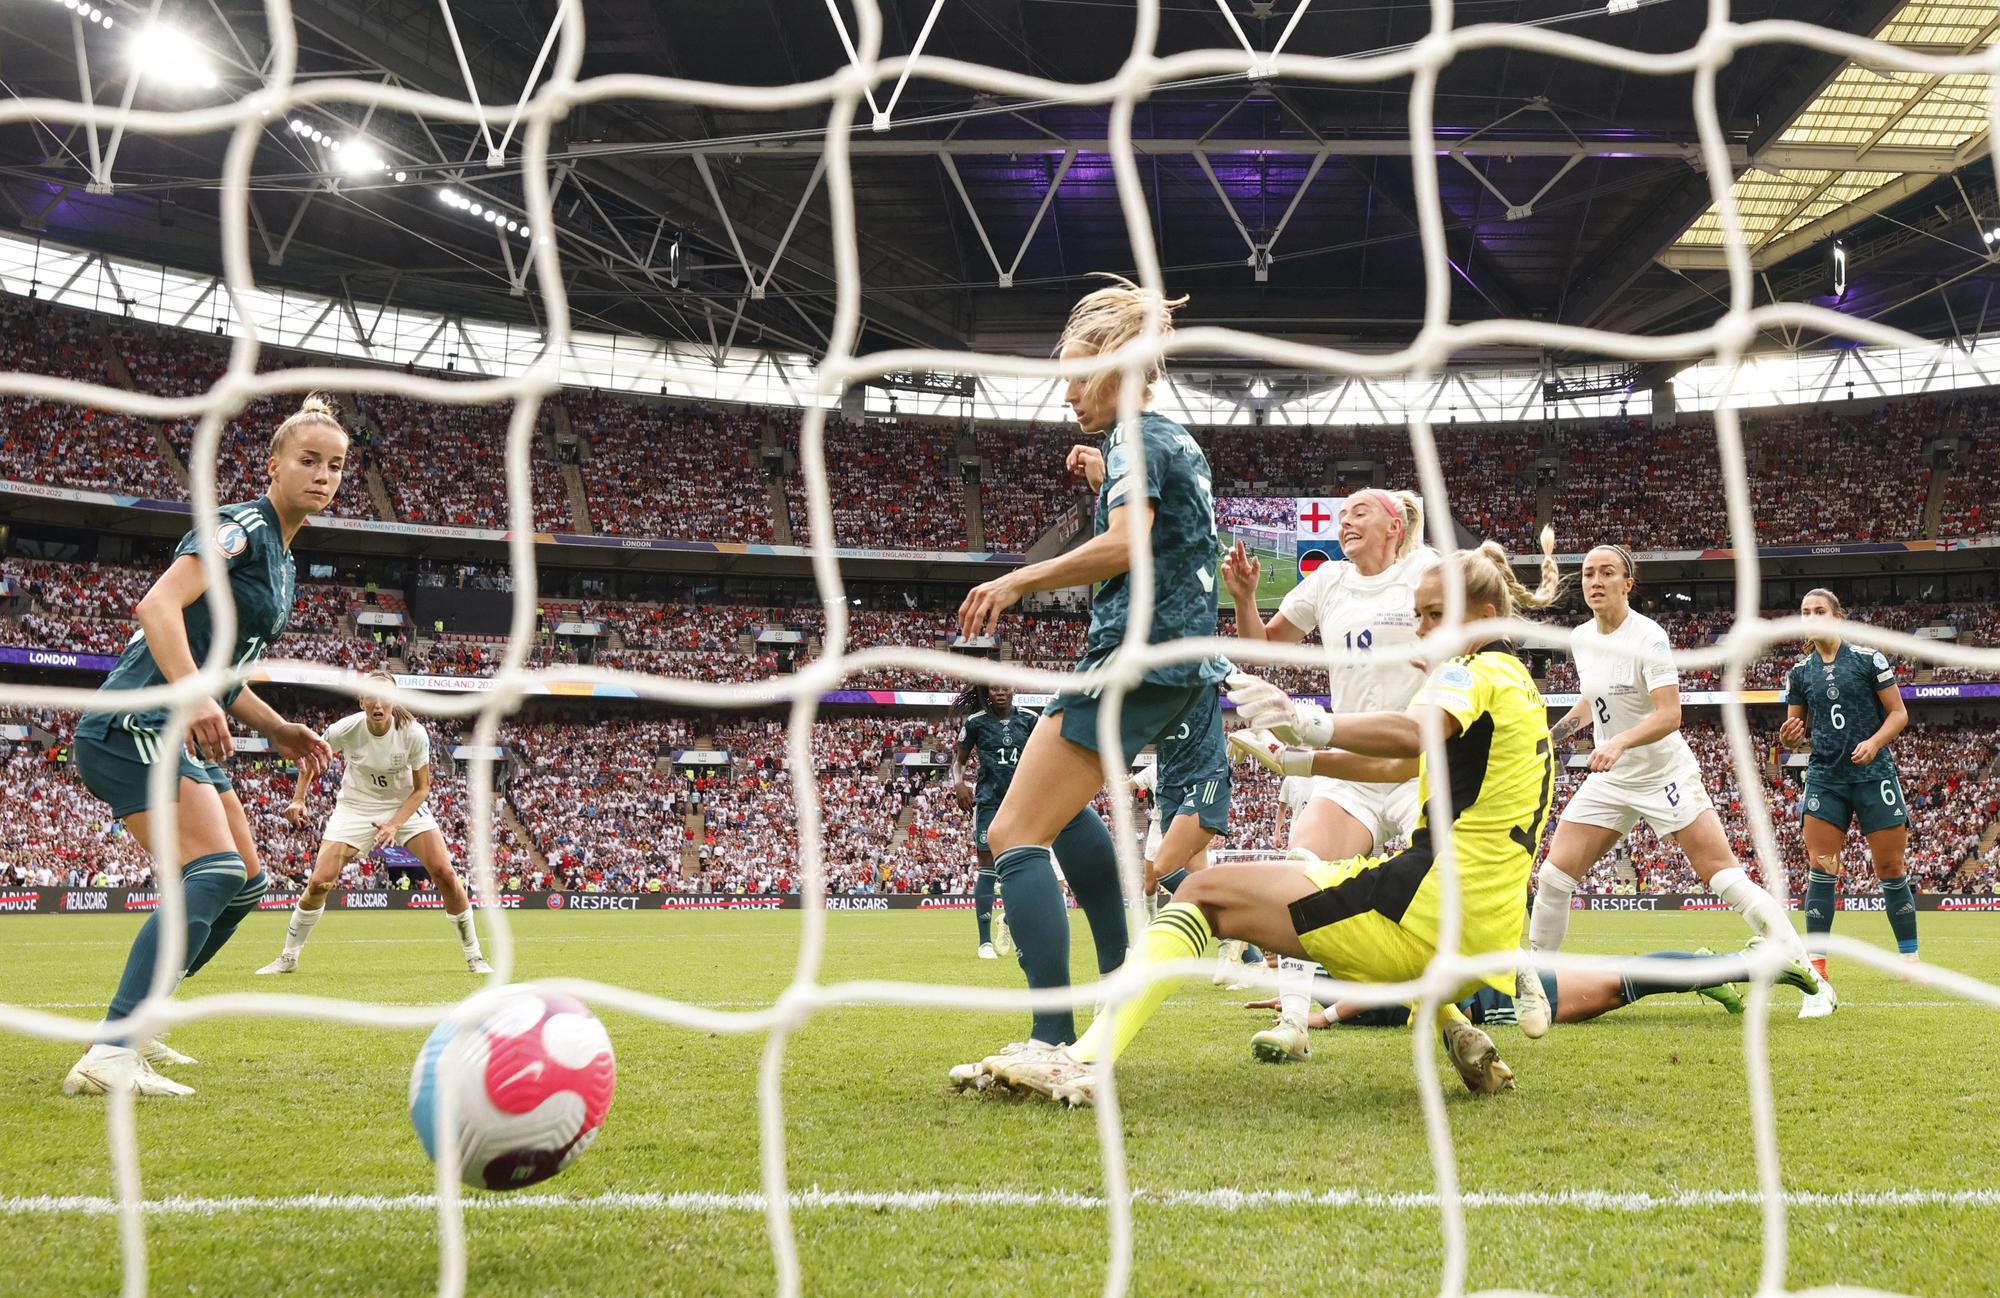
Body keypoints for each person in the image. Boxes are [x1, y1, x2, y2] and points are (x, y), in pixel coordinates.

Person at [962, 537, 1561, 1107]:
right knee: (1310, 875)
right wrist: (1300, 758)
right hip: (1481, 936)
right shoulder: (1519, 688)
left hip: (1424, 915)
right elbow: (1402, 761)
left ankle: (1084, 1058)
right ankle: (1455, 1026)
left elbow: (1409, 733)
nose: (1422, 631)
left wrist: (1307, 719)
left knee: (1201, 892)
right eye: (1419, 615)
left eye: (1434, 616)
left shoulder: (1469, 672)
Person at [948, 274, 1230, 1075]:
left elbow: (1128, 544)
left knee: (1011, 832)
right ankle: (1114, 987)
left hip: (1132, 657)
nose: (1066, 392)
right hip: (1171, 658)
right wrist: (1101, 468)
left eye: (1076, 375)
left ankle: (1049, 1040)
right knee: (1066, 818)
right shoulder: (1159, 438)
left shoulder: (1136, 439)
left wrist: (1016, 579)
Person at [63, 394, 343, 1097]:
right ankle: (109, 1055)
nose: (323, 476)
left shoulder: (284, 560)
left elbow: (225, 671)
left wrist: (274, 726)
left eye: (335, 466)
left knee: (244, 882)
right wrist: (190, 696)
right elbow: (157, 606)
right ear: (273, 465)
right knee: (212, 872)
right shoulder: (243, 526)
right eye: (308, 462)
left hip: (173, 727)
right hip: (134, 722)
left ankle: (140, 1022)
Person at [1515, 545, 1806, 1038]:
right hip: (1613, 779)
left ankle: (1804, 968)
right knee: (1554, 877)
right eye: (1587, 573)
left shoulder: (1649, 636)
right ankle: (1542, 983)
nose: (1595, 580)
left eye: (1607, 572)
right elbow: (1593, 701)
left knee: (1720, 874)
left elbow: (1671, 715)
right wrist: (1552, 738)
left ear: (1628, 583)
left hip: (1662, 774)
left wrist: (1622, 742)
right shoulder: (1582, 637)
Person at [1222, 491, 1436, 1062]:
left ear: (1396, 524)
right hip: (1354, 767)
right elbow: (1260, 650)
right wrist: (1244, 597)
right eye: (1341, 516)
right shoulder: (1326, 582)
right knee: (1302, 865)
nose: (1345, 520)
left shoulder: (1429, 571)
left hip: (1423, 766)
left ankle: (1468, 1012)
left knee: (1449, 892)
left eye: (1359, 512)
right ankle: (1293, 1020)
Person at [257, 670, 491, 975]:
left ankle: (474, 956)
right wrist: (299, 798)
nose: (378, 704)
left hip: (403, 806)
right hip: (355, 807)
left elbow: (422, 789)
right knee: (318, 883)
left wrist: (394, 824)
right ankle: (288, 957)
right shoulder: (345, 729)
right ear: (361, 700)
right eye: (371, 697)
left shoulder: (414, 734)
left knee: (446, 874)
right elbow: (312, 758)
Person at [1779, 587, 1914, 1019]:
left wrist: (1874, 744)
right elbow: (1795, 727)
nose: (1812, 617)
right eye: (1805, 612)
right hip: (1826, 776)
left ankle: (1909, 958)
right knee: (1821, 865)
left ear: (1837, 617)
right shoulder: (1799, 672)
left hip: (1873, 774)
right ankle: (1817, 971)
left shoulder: (1869, 660)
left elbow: (1898, 714)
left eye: (1819, 610)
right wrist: (1789, 737)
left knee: (1890, 868)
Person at [1249, 942, 1820, 1029]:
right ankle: (1714, 966)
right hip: (1507, 987)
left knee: (1630, 982)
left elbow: (1403, 984)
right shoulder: (1338, 973)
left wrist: (1320, 1017)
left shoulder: (1366, 969)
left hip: (1509, 990)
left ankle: (1756, 962)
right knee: (1632, 980)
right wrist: (1301, 1002)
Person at [952, 682, 1038, 959]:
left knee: (1029, 866)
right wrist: (958, 784)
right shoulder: (976, 722)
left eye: (1004, 688)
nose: (999, 693)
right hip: (989, 802)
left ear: (1014, 689)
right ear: (986, 693)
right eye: (994, 689)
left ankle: (1010, 922)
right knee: (987, 867)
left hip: (1022, 804)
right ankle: (984, 942)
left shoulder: (1030, 719)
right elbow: (959, 761)